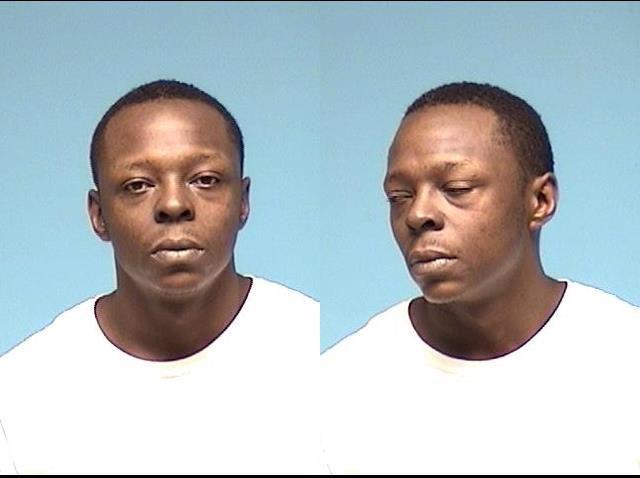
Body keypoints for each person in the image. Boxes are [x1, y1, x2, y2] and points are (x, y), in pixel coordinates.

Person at [0, 80, 320, 474]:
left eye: (205, 179)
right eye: (138, 185)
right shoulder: (18, 397)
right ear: (99, 215)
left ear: (243, 201)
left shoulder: (318, 354)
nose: (173, 204)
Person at [322, 82, 640, 474]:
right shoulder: (335, 392)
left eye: (456, 188)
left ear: (540, 201)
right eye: (399, 196)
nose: (418, 214)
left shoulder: (627, 359)